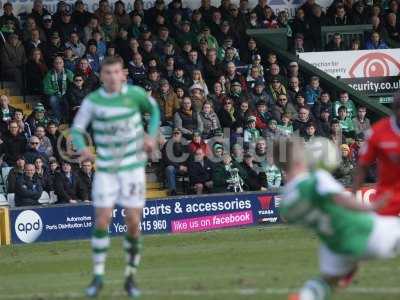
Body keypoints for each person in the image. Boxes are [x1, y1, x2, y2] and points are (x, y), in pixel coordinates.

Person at [71, 56, 160, 297]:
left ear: (123, 74)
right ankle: (98, 276)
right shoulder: (93, 101)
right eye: (107, 72)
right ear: (101, 76)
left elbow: (154, 111)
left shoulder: (136, 94)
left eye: (116, 72)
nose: (112, 77)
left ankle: (130, 276)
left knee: (132, 221)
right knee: (102, 219)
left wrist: (151, 136)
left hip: (132, 169)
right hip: (107, 169)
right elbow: (77, 130)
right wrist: (83, 147)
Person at [278, 137, 400, 300]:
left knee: (327, 282)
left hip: (334, 245)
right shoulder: (317, 179)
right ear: (299, 159)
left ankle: (304, 297)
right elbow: (341, 199)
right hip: (366, 232)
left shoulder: (286, 202)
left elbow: (291, 217)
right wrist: (371, 207)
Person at [353, 94, 400, 216]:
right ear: (395, 109)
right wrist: (354, 197)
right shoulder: (377, 132)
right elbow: (362, 166)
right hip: (387, 199)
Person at [43, 56, 74, 122]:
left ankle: (67, 118)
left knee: (68, 100)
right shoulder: (49, 74)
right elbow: (46, 88)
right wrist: (55, 92)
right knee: (53, 100)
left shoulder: (69, 73)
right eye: (56, 63)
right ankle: (58, 118)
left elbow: (74, 85)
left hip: (66, 94)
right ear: (53, 64)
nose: (58, 64)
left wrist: (67, 93)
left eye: (60, 62)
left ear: (63, 64)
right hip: (55, 94)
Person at [161, 128, 188, 196]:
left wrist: (186, 166)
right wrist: (179, 166)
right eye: (174, 133)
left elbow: (188, 157)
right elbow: (167, 160)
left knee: (195, 165)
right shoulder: (168, 144)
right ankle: (173, 191)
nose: (176, 134)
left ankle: (194, 188)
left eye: (177, 133)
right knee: (170, 168)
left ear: (181, 135)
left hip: (184, 167)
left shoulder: (184, 144)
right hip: (174, 167)